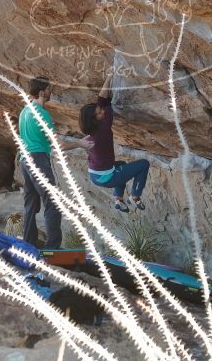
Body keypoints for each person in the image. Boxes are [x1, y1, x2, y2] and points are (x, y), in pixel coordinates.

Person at [18, 76, 92, 249]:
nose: (52, 92)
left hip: (24, 161)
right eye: (50, 89)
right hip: (37, 160)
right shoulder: (42, 115)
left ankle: (28, 244)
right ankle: (53, 249)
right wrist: (80, 144)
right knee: (52, 203)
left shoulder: (24, 112)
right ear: (42, 92)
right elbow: (60, 146)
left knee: (31, 205)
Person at [79, 73, 150, 213]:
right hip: (108, 177)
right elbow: (103, 103)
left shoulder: (91, 131)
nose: (102, 113)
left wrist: (109, 77)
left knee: (122, 165)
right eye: (99, 113)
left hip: (95, 175)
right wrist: (110, 79)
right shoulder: (103, 129)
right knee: (144, 164)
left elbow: (100, 100)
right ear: (95, 119)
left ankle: (118, 199)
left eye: (101, 111)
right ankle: (135, 196)